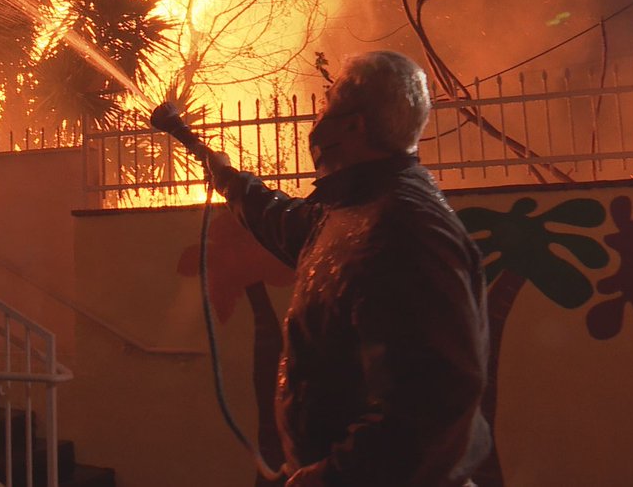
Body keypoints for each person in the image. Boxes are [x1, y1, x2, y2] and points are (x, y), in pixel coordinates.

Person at [206, 51, 491, 487]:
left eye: (326, 106)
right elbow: (287, 225)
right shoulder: (354, 210)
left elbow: (436, 396)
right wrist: (231, 182)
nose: (317, 122)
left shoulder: (405, 231)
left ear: (355, 125)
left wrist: (333, 477)